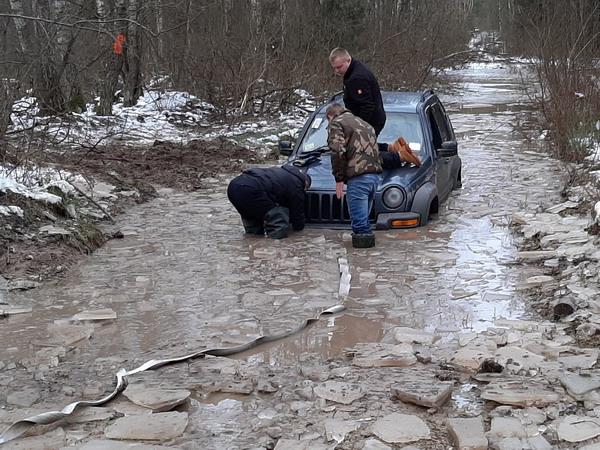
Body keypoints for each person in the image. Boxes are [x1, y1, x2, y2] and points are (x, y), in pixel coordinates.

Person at [326, 103, 382, 248]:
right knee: (364, 222)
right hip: (374, 177)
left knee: (361, 229)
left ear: (330, 117)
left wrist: (338, 178)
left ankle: (360, 264)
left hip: (358, 179)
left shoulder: (336, 123)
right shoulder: (366, 124)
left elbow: (337, 151)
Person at [227, 165, 311, 239]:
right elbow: (297, 212)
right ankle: (277, 244)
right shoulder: (297, 184)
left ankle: (251, 241)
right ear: (305, 184)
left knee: (251, 217)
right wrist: (299, 231)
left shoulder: (281, 172)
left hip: (233, 187)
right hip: (252, 189)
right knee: (278, 216)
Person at [329, 47, 386, 136]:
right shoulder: (351, 71)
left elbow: (367, 106)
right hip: (363, 119)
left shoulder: (358, 77)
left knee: (362, 148)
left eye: (339, 67)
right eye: (334, 68)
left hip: (370, 122)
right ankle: (391, 147)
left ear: (348, 61)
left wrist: (358, 128)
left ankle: (393, 148)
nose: (337, 71)